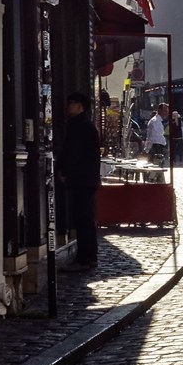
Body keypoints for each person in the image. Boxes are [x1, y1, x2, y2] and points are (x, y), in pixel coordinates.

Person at [57, 90, 102, 270]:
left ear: (80, 106)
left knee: (82, 219)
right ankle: (90, 256)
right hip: (87, 179)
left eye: (72, 103)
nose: (68, 106)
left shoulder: (79, 126)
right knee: (86, 219)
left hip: (81, 180)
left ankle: (84, 259)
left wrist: (65, 171)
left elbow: (75, 154)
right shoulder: (84, 124)